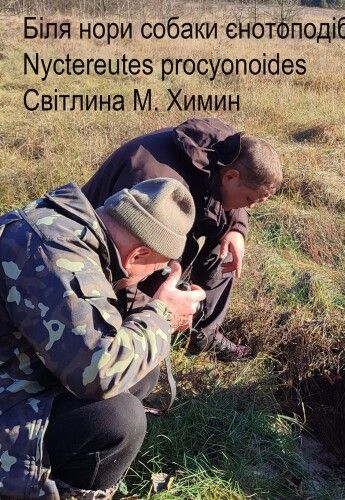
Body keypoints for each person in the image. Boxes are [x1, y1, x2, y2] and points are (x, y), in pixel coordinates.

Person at [0, 178, 205, 499]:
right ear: (137, 255)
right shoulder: (58, 255)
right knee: (119, 419)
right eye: (153, 270)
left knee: (140, 372)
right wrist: (162, 316)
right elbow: (98, 371)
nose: (147, 280)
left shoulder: (70, 229)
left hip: (14, 369)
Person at [82, 117, 283, 361]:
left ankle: (203, 334)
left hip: (157, 232)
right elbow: (131, 266)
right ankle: (145, 329)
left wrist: (237, 228)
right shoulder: (153, 183)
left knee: (225, 249)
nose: (248, 207)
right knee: (143, 291)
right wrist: (160, 320)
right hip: (102, 253)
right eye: (249, 200)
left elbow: (243, 178)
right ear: (230, 177)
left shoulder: (230, 150)